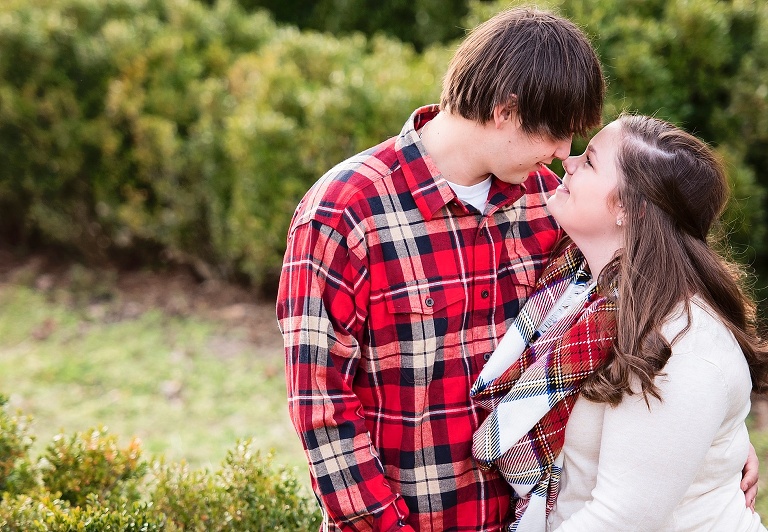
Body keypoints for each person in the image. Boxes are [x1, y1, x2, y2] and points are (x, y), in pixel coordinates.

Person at [276, 7, 605, 530]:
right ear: (505, 110)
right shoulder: (345, 212)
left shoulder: (551, 203)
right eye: (557, 132)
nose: (565, 152)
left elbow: (638, 298)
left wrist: (721, 446)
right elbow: (322, 406)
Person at [471, 114, 768, 531]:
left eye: (590, 161)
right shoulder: (577, 292)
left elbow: (621, 518)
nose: (568, 161)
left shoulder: (684, 344)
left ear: (629, 208)